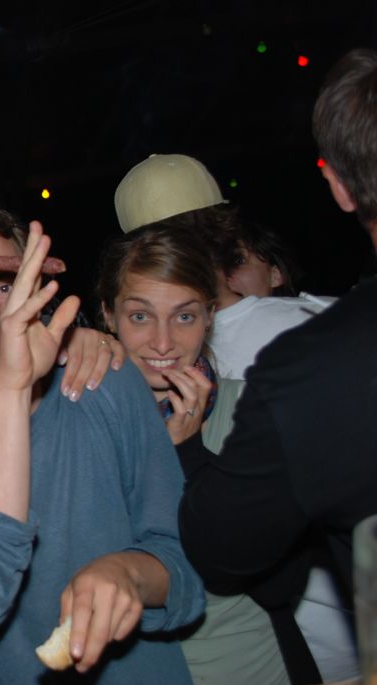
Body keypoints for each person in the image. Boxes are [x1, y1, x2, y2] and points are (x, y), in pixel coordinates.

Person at [0, 206, 205, 684]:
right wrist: (12, 388)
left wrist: (130, 573)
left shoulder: (107, 384)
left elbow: (185, 566)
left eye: (4, 287)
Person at [179, 47, 377, 680]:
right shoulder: (313, 340)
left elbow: (224, 549)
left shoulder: (310, 368)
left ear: (337, 185)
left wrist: (186, 448)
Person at [96, 223, 294, 684]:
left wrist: (187, 454)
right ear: (108, 315)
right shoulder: (85, 420)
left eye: (184, 316)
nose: (163, 342)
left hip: (249, 670)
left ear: (209, 317)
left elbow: (275, 580)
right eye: (140, 316)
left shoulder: (251, 410)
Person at [113, 154, 331, 380]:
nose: (163, 345)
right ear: (223, 230)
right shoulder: (320, 320)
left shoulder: (129, 360)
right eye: (139, 317)